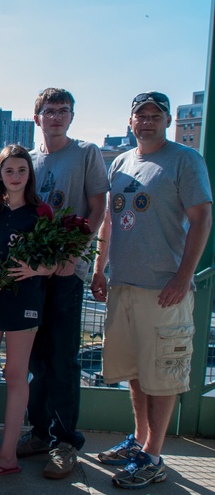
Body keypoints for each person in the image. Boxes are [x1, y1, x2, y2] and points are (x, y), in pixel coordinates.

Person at [90, 91, 212, 490]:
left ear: (168, 120)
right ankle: (140, 441)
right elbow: (109, 220)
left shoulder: (185, 160)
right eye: (140, 115)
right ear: (130, 122)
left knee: (162, 375)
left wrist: (182, 276)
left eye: (155, 115)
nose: (146, 121)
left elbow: (201, 218)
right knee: (137, 373)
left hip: (164, 290)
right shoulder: (122, 162)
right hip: (124, 286)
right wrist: (99, 268)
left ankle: (154, 457)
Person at [23, 87, 108, 479]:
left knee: (63, 359)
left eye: (63, 111)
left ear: (71, 117)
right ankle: (39, 431)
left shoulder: (86, 153)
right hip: (32, 274)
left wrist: (74, 254)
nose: (56, 117)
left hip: (65, 272)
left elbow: (97, 207)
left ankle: (66, 441)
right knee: (34, 359)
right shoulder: (29, 159)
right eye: (49, 111)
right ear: (37, 117)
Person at [0, 145, 55, 478]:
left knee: (17, 376)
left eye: (22, 170)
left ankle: (8, 454)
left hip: (24, 304)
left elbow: (58, 263)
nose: (16, 176)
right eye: (9, 171)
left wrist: (36, 269)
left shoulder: (40, 212)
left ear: (29, 174)